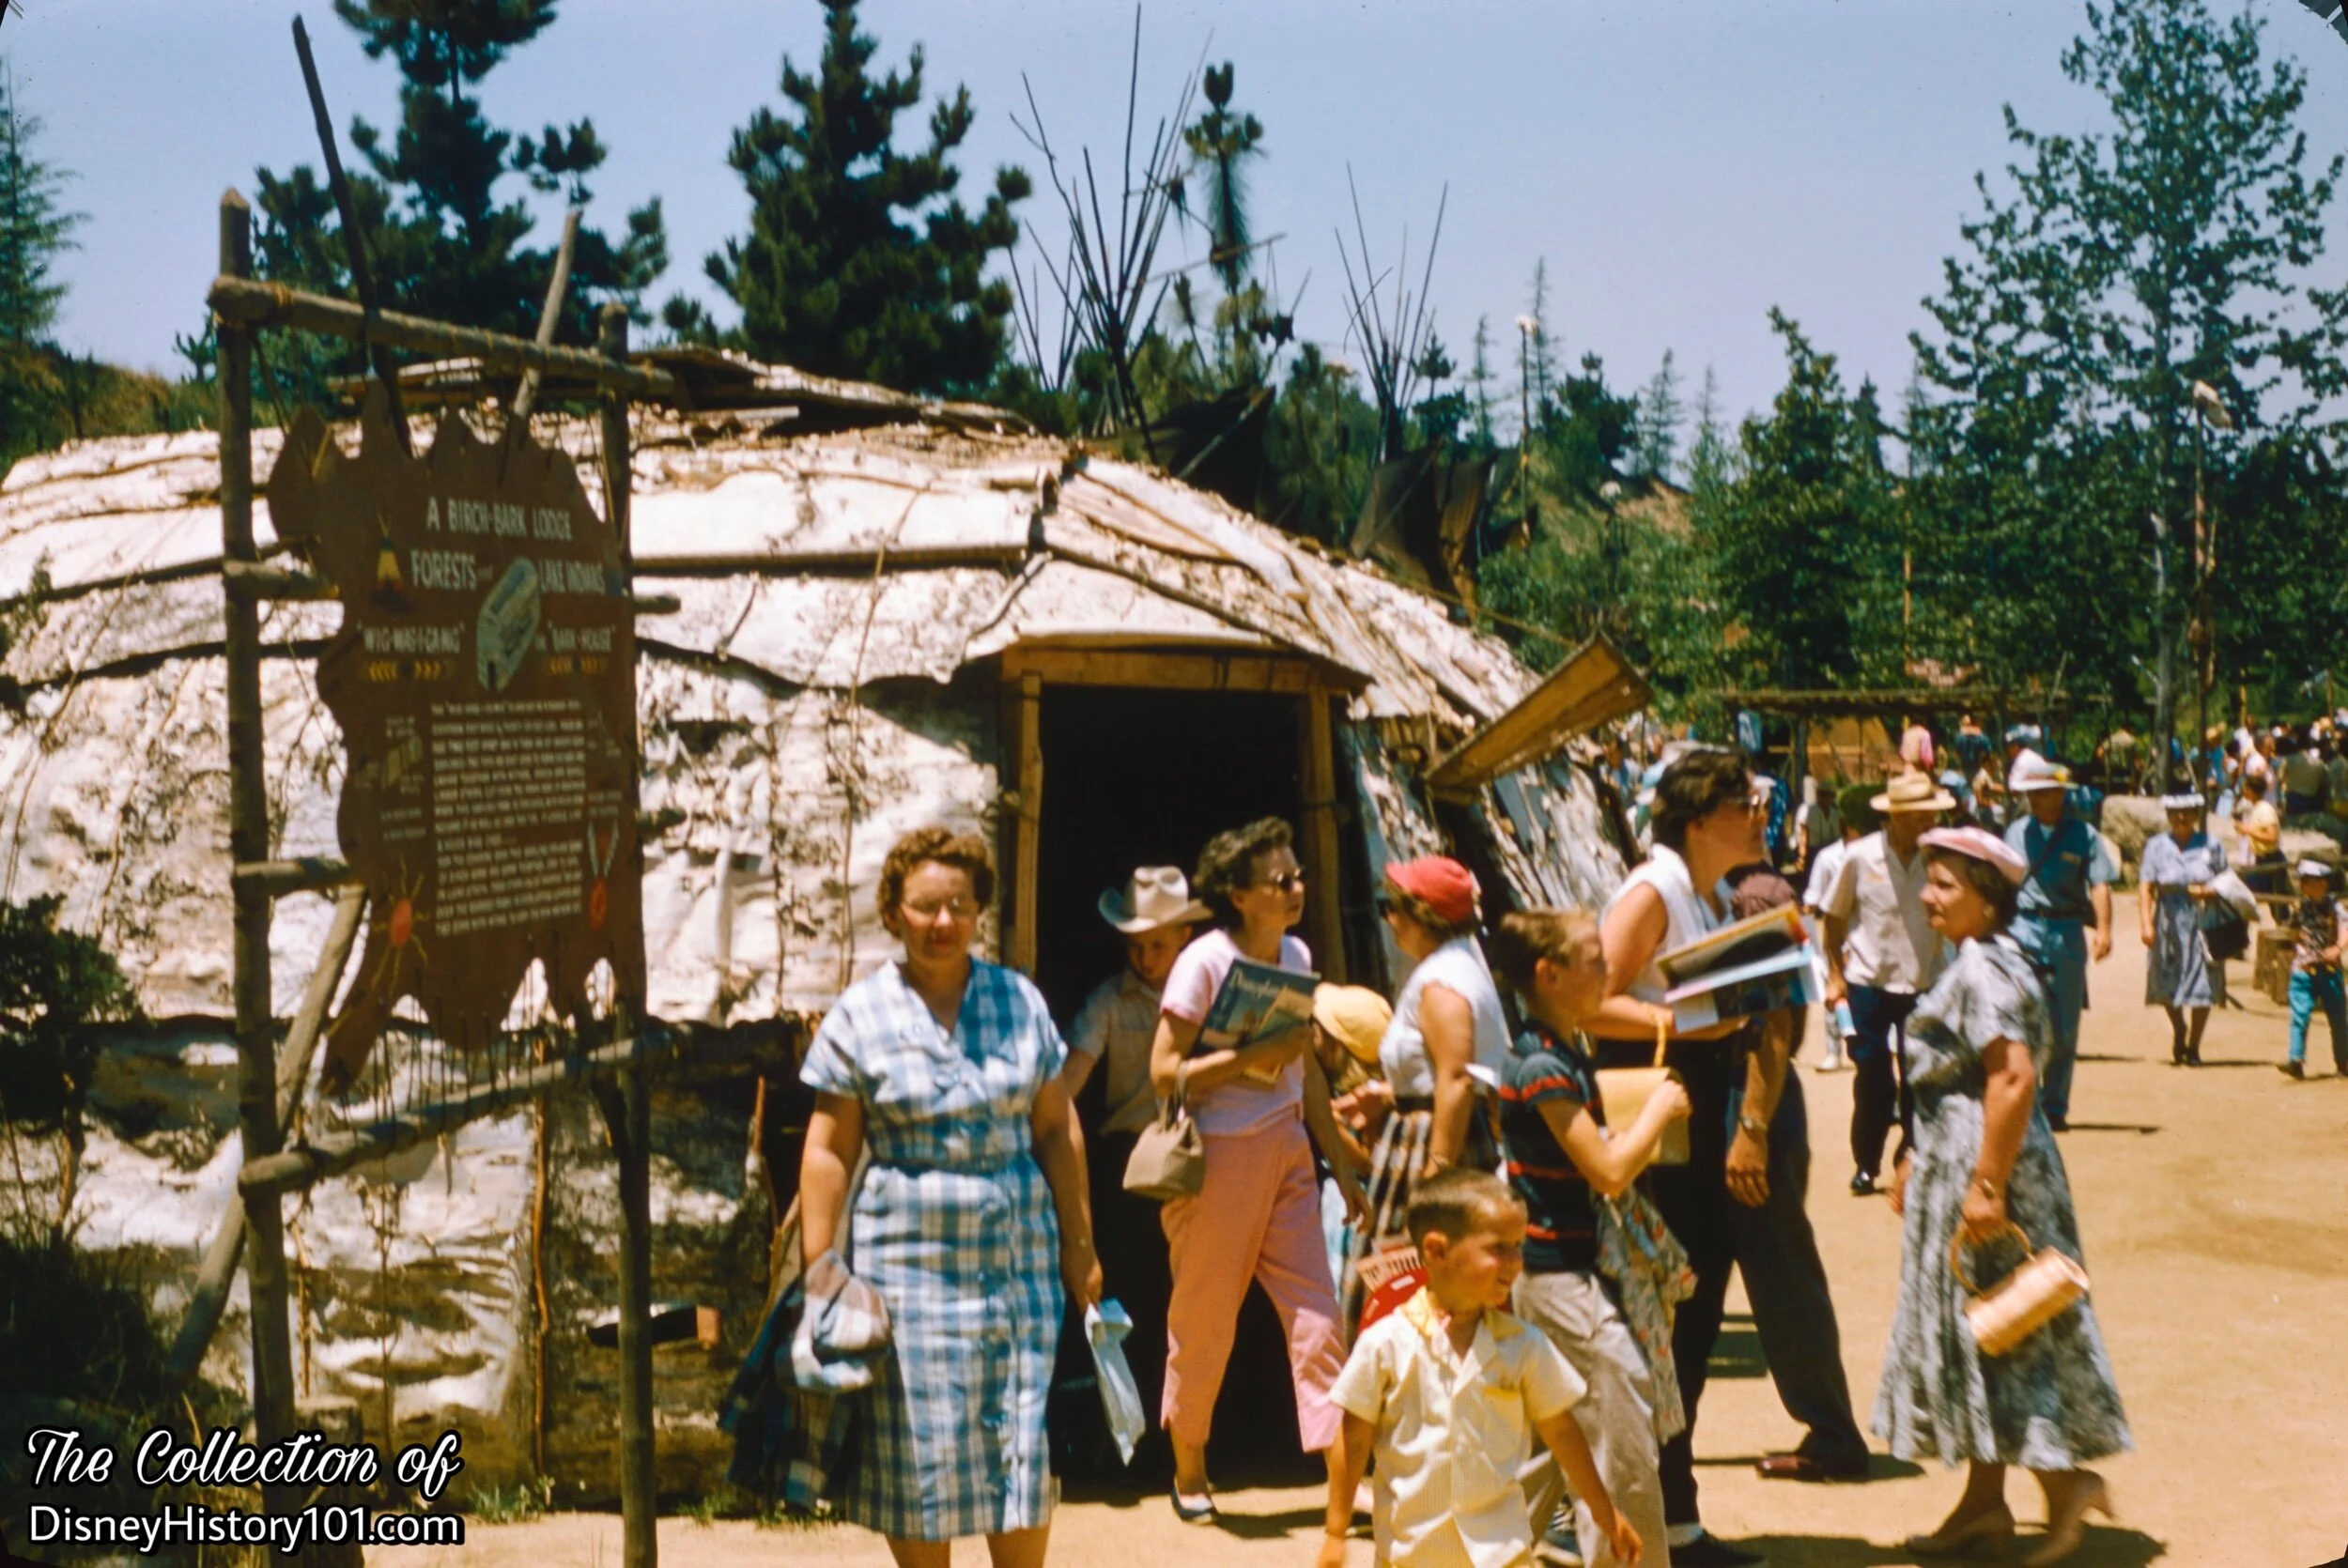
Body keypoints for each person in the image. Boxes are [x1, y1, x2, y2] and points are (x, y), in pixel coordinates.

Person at [1587, 747, 1868, 1568]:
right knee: (1670, 1324)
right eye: (1743, 805)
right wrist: (1690, 1029)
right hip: (1668, 1115)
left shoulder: (1704, 892)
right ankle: (1645, 1521)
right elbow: (1591, 1003)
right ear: (1700, 818)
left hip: (1697, 1107)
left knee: (1692, 1325)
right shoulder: (1654, 891)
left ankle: (1674, 1522)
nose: (1758, 816)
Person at [796, 827, 1101, 1564]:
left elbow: (1058, 1131)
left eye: (958, 906)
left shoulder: (1018, 1001)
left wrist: (1081, 1249)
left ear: (979, 913)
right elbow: (828, 1147)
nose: (942, 923)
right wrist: (821, 1263)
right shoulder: (863, 1013)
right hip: (907, 1271)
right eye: (925, 906)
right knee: (919, 1450)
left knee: (1019, 1440)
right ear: (894, 913)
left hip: (1016, 1265)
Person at [1877, 826, 2131, 1568]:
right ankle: (1984, 1506)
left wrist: (1985, 1185)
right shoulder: (1990, 960)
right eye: (1929, 880)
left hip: (1992, 1169)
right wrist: (1919, 1155)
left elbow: (2012, 1077)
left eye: (1947, 884)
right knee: (1984, 1331)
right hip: (1972, 1157)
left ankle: (2065, 1484)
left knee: (2005, 1327)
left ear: (1987, 901)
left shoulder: (1985, 969)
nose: (1929, 895)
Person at [1149, 817, 1365, 1523]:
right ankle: (1190, 1470)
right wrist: (1252, 1054)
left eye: (1298, 875)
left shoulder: (1297, 953)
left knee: (1318, 1315)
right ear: (1240, 895)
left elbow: (1302, 1071)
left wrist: (1340, 1165)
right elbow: (1163, 1073)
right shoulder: (1203, 963)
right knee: (1207, 1318)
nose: (1298, 888)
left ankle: (1343, 1481)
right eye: (1282, 881)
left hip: (1285, 1147)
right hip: (1219, 1155)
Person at [1488, 909, 1689, 1568]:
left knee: (1563, 1445)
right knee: (1621, 1442)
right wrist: (1658, 1109)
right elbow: (1604, 1172)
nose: (1607, 971)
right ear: (1548, 974)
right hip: (1560, 1274)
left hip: (1560, 1273)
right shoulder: (1544, 1065)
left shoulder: (1556, 1053)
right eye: (1593, 960)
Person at [1318, 1169, 1644, 1568]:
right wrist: (1335, 1531)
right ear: (1437, 1251)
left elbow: (1562, 1431)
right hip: (1411, 1553)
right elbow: (1352, 1439)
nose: (1515, 1262)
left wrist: (1604, 1514)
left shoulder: (1523, 1346)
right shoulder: (1385, 1344)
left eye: (1518, 1246)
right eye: (1498, 1248)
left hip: (1499, 1552)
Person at [1063, 866, 1212, 1462]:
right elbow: (1070, 1078)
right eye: (1136, 946)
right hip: (1131, 1163)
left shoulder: (1211, 994)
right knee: (1132, 1304)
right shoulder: (1109, 999)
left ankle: (1188, 1435)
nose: (1147, 958)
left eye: (1158, 944)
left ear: (1183, 940)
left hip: (1201, 1156)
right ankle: (1128, 1442)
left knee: (1194, 1300)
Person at [1822, 770, 1954, 1195]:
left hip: (1924, 982)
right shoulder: (1860, 857)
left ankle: (1911, 1157)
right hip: (1869, 983)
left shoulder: (1939, 857)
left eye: (1930, 814)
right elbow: (1834, 916)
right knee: (1873, 1079)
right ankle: (1866, 1161)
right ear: (1894, 816)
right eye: (1917, 815)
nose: (1926, 822)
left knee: (1922, 1076)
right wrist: (1836, 975)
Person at [2001, 756, 2116, 1132]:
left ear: (2059, 794)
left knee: (2064, 1026)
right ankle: (2027, 1103)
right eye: (2030, 793)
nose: (2034, 800)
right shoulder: (2016, 832)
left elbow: (2099, 883)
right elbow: (2002, 881)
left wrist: (2104, 929)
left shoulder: (2084, 836)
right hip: (2024, 928)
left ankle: (2055, 1107)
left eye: (2042, 793)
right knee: (2024, 1018)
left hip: (2066, 933)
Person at [2140, 793, 2227, 1067]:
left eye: (2188, 811)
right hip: (2167, 919)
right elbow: (2146, 886)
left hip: (2203, 920)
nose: (2182, 817)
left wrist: (2207, 890)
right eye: (2176, 812)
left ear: (2196, 813)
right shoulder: (2155, 846)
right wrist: (2145, 922)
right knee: (2166, 977)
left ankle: (2194, 1047)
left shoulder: (2211, 845)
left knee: (2203, 980)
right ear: (2167, 814)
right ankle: (2179, 1027)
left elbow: (2228, 882)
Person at [1803, 817, 1862, 1073]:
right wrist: (1807, 942)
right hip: (1836, 931)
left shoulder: (1873, 854)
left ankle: (1862, 1047)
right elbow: (1812, 899)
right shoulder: (1828, 858)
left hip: (1864, 932)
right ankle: (1833, 1051)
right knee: (1833, 990)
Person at [2279, 859, 2348, 1081]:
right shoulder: (2299, 907)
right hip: (2305, 967)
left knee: (2337, 1017)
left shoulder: (2335, 906)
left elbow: (2345, 928)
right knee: (2300, 1015)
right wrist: (2301, 950)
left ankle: (2343, 1060)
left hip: (2329, 967)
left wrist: (2337, 948)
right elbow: (2292, 931)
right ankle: (2296, 1059)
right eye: (2307, 882)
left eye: (2316, 881)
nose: (2311, 886)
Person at [2234, 769, 2286, 897]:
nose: (2244, 791)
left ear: (2252, 790)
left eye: (2246, 788)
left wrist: (2248, 830)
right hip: (2260, 858)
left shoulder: (2265, 810)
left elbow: (2272, 836)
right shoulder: (2255, 809)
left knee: (2277, 902)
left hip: (2271, 859)